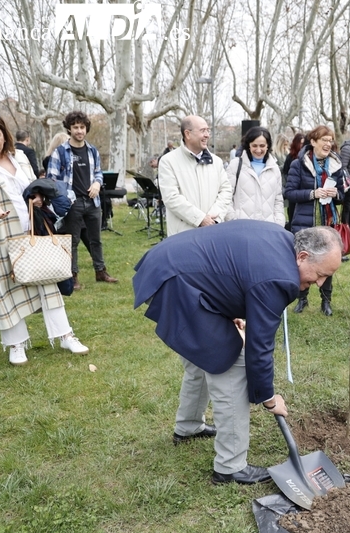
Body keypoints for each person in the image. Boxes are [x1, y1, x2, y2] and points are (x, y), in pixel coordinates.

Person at [133, 221, 342, 484]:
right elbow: (259, 347)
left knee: (203, 355)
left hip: (167, 266)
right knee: (230, 360)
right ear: (302, 256)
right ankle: (230, 467)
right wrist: (268, 397)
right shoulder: (280, 277)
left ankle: (188, 427)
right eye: (321, 274)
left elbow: (233, 272)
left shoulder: (283, 240)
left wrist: (223, 306)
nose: (321, 283)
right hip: (174, 283)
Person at [0, 112, 89, 366]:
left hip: (32, 230)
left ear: (4, 134)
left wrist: (40, 199)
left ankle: (65, 335)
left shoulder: (19, 156)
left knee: (48, 282)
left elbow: (33, 187)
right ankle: (16, 344)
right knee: (7, 288)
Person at [157, 114, 232, 446]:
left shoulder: (217, 161)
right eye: (202, 130)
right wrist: (200, 218)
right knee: (197, 348)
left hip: (214, 247)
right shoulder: (170, 162)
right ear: (186, 133)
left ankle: (189, 423)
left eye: (208, 130)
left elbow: (226, 190)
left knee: (201, 351)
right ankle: (189, 422)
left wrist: (214, 215)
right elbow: (172, 198)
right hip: (184, 252)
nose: (207, 134)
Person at [46, 111, 118, 289]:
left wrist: (97, 183)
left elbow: (99, 172)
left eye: (82, 127)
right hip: (73, 203)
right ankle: (73, 277)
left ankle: (100, 271)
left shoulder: (92, 150)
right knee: (73, 241)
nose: (79, 130)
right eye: (75, 127)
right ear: (69, 129)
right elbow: (51, 178)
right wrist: (64, 196)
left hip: (93, 202)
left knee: (96, 239)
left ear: (86, 129)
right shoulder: (60, 152)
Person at [285, 125, 346, 317]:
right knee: (303, 262)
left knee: (326, 260)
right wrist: (313, 193)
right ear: (313, 142)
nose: (328, 144)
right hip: (305, 223)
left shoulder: (336, 165)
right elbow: (289, 193)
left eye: (330, 141)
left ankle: (326, 301)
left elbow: (344, 195)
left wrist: (337, 193)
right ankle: (301, 298)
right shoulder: (298, 164)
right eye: (324, 140)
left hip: (327, 222)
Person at [225, 126, 285, 226]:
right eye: (254, 145)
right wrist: (233, 220)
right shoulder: (235, 165)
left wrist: (278, 223)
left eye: (262, 146)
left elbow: (278, 200)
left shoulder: (275, 168)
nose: (258, 150)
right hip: (241, 228)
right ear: (249, 145)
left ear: (267, 146)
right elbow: (226, 197)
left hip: (268, 228)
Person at [282, 133, 305, 228]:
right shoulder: (290, 157)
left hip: (303, 192)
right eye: (301, 143)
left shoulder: (307, 157)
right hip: (293, 191)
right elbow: (285, 173)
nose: (303, 146)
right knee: (293, 217)